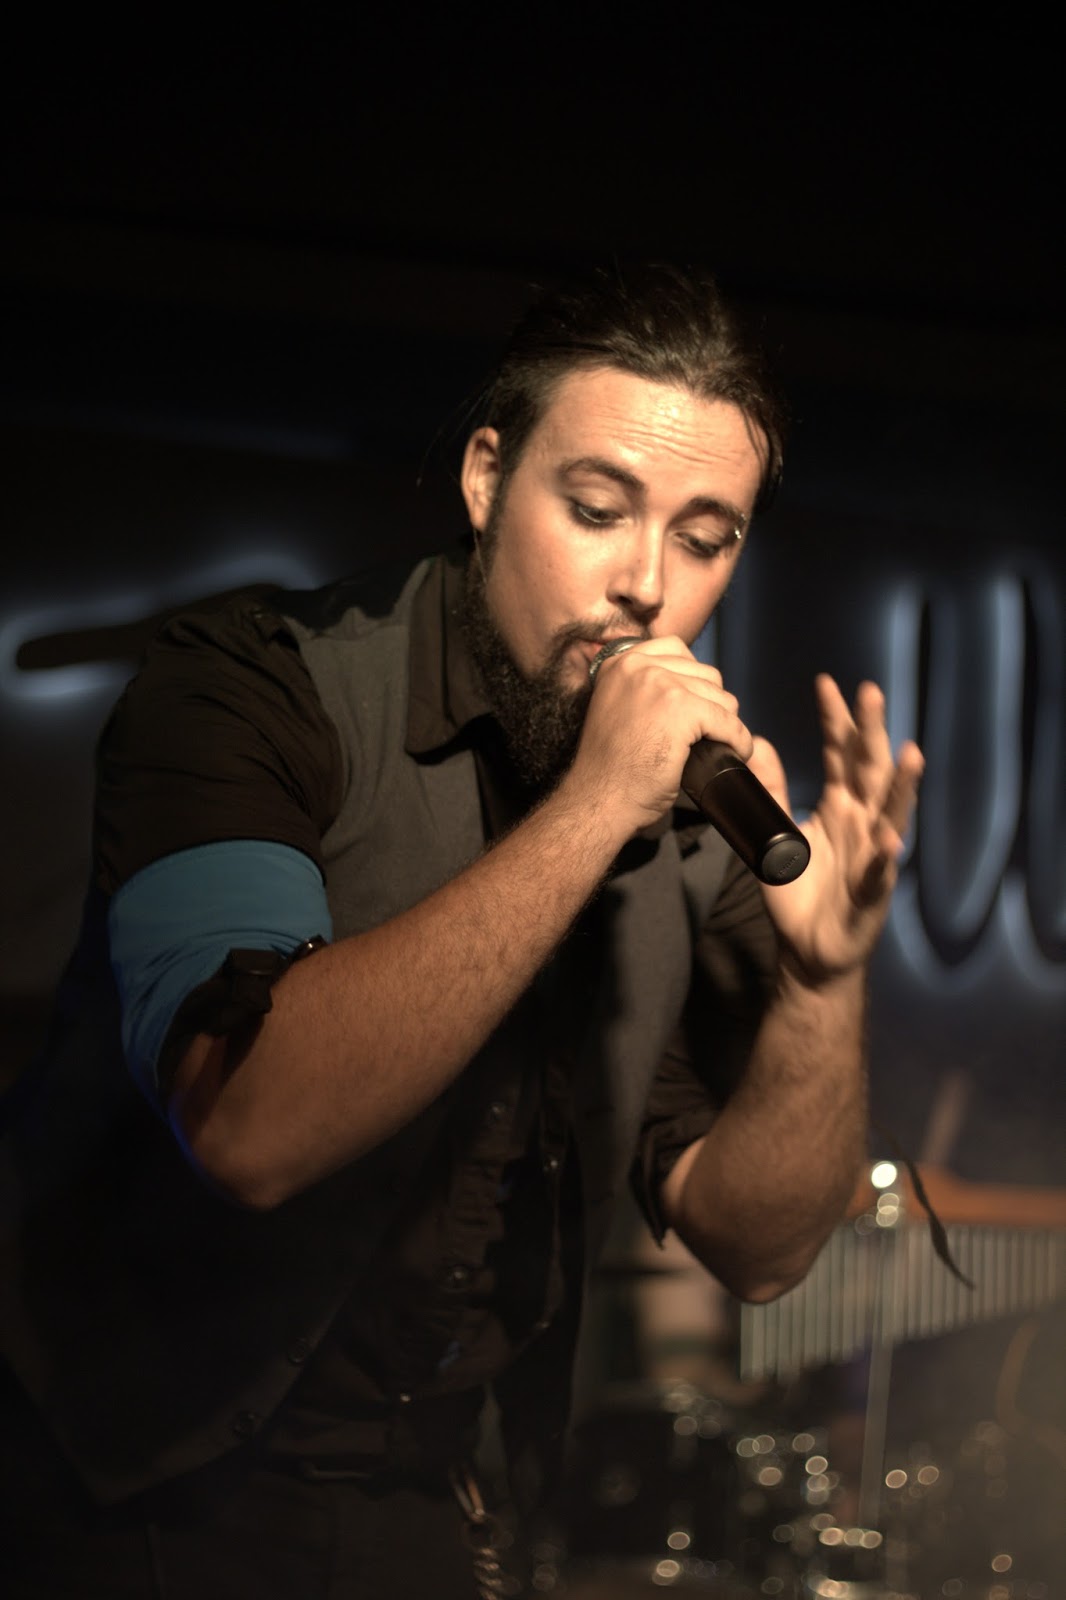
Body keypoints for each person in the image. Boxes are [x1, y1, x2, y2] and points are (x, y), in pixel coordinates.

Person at [0, 262, 923, 1598]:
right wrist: (593, 807)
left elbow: (762, 1247)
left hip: (419, 1494)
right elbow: (244, 1126)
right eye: (597, 510)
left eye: (705, 538)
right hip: (103, 1488)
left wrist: (823, 980)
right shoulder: (248, 692)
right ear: (488, 477)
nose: (645, 584)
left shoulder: (694, 812)